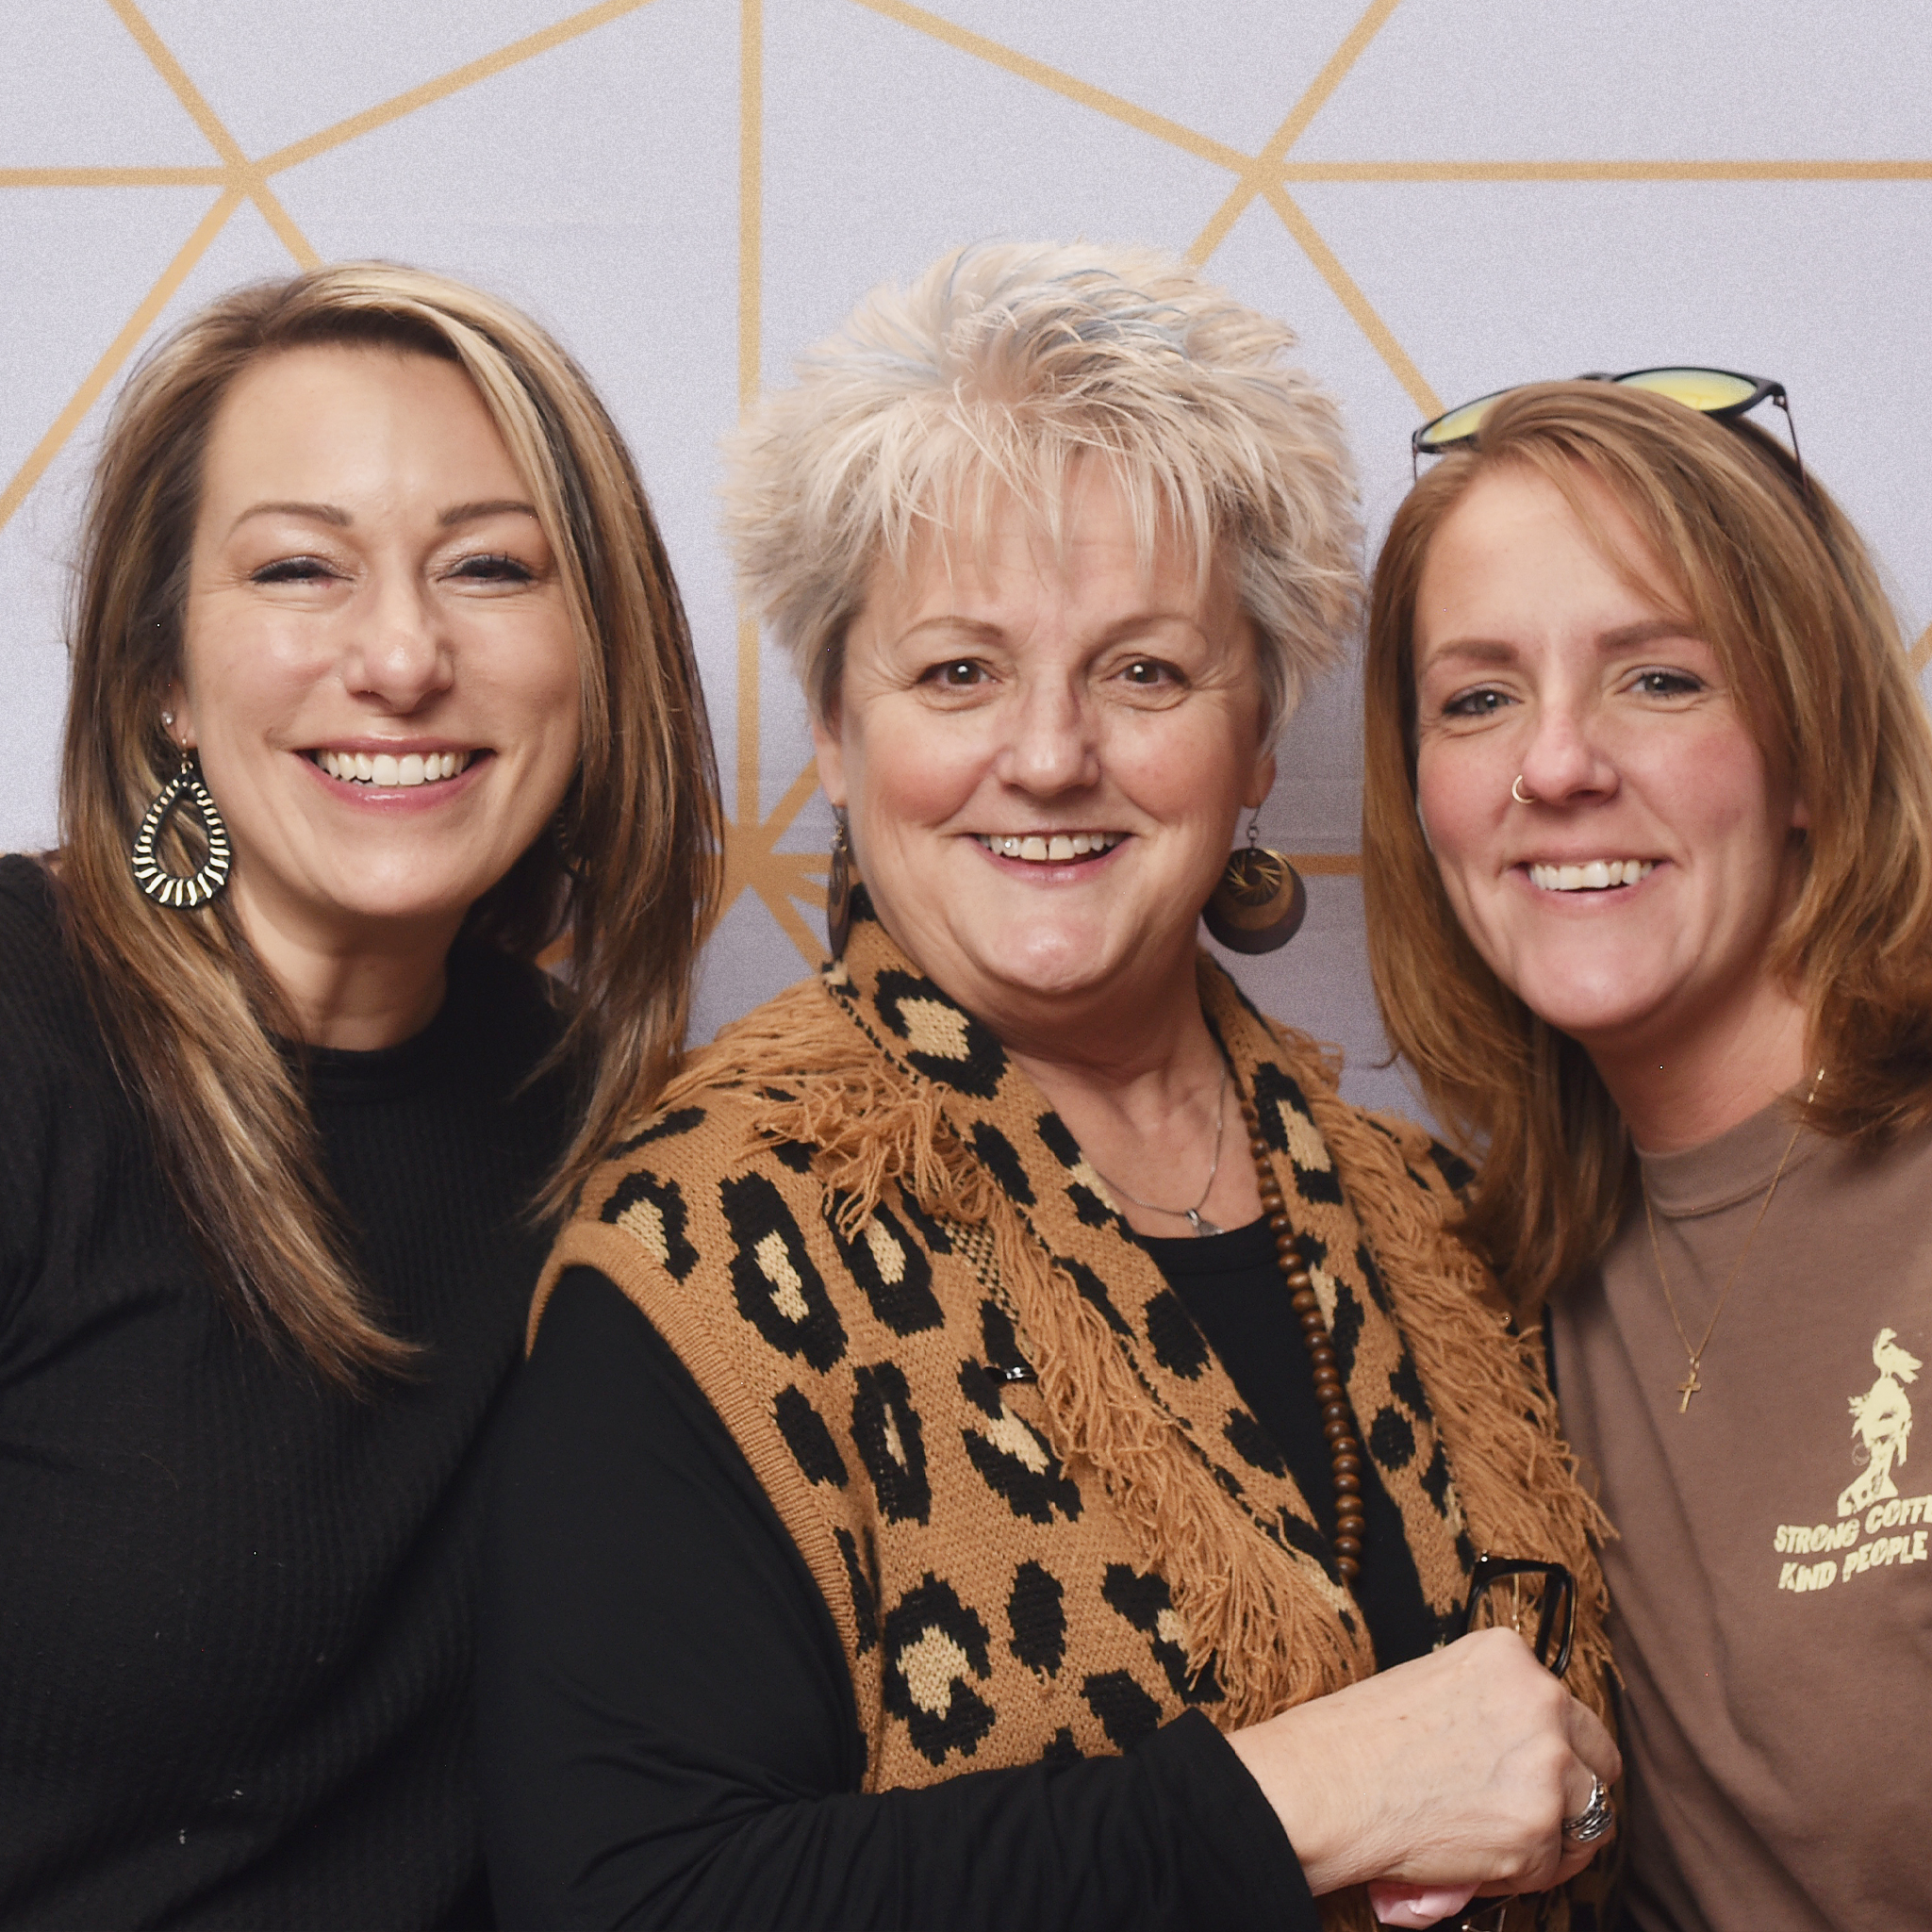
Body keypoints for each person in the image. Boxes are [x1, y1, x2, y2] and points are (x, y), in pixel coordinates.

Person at [481, 241, 1619, 1932]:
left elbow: (1557, 1764)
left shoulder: (1433, 1218)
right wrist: (1296, 1800)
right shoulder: (711, 1238)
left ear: (1256, 735)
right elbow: (629, 1901)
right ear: (837, 730)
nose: (1048, 753)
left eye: (1142, 670)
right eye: (958, 671)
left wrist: (1576, 1798)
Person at [0, 262, 719, 1927]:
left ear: (598, 656)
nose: (401, 656)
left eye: (489, 567)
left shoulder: (622, 1141)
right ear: (164, 675)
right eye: (298, 568)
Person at [1362, 372, 1932, 1928]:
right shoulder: (1474, 1289)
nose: (1554, 767)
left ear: (1809, 747)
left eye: (1658, 679)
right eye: (1476, 698)